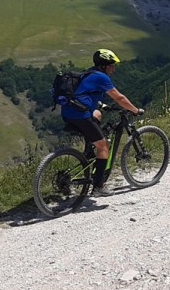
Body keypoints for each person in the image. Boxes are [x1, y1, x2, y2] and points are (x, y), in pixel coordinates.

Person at [61, 48, 143, 196]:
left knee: (97, 114)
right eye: (112, 65)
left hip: (68, 113)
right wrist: (135, 110)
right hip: (81, 116)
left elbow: (85, 94)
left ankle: (89, 152)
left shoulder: (89, 73)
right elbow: (119, 98)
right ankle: (99, 186)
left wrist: (100, 105)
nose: (114, 68)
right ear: (104, 65)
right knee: (104, 145)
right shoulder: (102, 77)